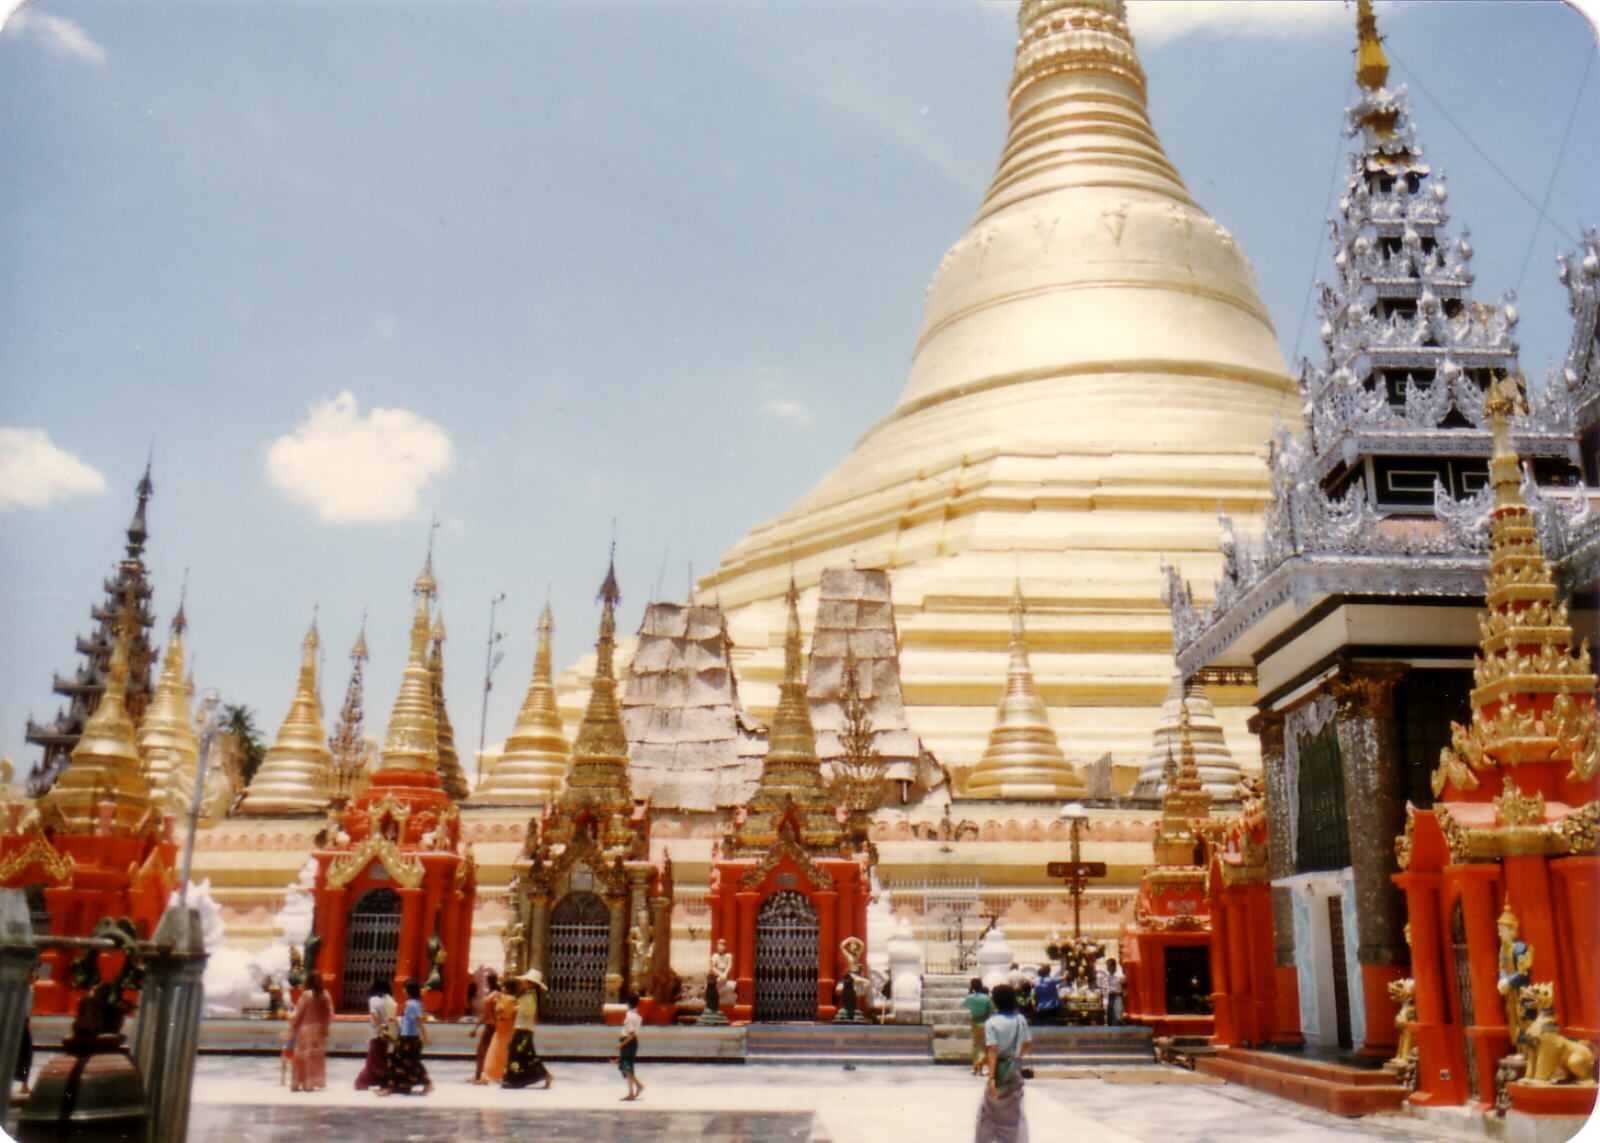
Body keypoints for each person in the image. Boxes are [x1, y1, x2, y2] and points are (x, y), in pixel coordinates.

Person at [975, 982, 1032, 1143]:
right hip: (1014, 1070)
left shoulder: (991, 1023)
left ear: (995, 1002)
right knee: (1016, 1113)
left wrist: (992, 1077)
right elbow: (1027, 1044)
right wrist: (1015, 1057)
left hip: (998, 1071)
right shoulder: (1020, 1019)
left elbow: (992, 1049)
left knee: (988, 1114)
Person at [380, 978, 433, 1096]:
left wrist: (426, 1037)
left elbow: (418, 1022)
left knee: (395, 1061)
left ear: (408, 990)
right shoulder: (418, 1003)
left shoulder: (410, 1004)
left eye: (404, 988)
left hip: (407, 1037)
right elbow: (408, 1020)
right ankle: (427, 1084)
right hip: (413, 1037)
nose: (403, 990)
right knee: (414, 1062)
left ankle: (390, 1087)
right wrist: (395, 1019)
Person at [501, 970, 552, 1089]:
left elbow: (517, 1006)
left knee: (521, 1054)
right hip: (522, 1028)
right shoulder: (528, 995)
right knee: (522, 1054)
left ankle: (542, 1075)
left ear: (530, 984)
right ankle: (514, 1079)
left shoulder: (528, 996)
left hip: (523, 1029)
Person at [288, 971, 333, 1092]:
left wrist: (291, 1024)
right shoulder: (326, 995)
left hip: (306, 1030)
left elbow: (298, 1013)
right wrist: (325, 1027)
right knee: (315, 1057)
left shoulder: (307, 995)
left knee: (303, 1057)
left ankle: (302, 1083)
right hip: (320, 1032)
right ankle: (313, 1082)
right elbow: (330, 1014)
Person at [354, 977, 395, 1091]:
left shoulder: (374, 999)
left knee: (374, 1058)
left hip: (377, 1032)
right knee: (379, 1056)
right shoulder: (389, 999)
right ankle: (372, 1080)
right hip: (387, 1032)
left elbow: (374, 1014)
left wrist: (379, 1027)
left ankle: (365, 1081)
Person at [479, 970, 518, 1084]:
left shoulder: (509, 999)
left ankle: (497, 1075)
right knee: (494, 1053)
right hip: (501, 1029)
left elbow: (501, 1012)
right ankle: (489, 1075)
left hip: (504, 1029)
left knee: (500, 1054)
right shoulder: (505, 998)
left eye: (504, 986)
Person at [614, 991, 645, 1101]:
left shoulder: (630, 1016)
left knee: (626, 1066)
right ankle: (636, 1086)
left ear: (627, 1003)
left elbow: (632, 1034)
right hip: (631, 1043)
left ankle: (633, 1090)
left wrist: (621, 1044)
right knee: (628, 1066)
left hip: (627, 1042)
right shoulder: (636, 1015)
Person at [470, 972, 500, 1083]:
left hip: (492, 1026)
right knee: (484, 1051)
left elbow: (491, 1013)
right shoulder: (492, 994)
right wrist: (476, 1027)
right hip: (489, 1025)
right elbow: (485, 1014)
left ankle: (480, 1076)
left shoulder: (495, 995)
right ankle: (480, 1075)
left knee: (482, 1050)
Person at [960, 978, 994, 1076]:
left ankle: (975, 1068)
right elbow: (992, 1011)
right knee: (984, 1046)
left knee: (976, 1045)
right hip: (985, 1023)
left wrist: (969, 994)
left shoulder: (970, 997)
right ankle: (980, 1069)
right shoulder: (987, 998)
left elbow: (964, 1005)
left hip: (974, 1023)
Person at [1102, 958, 1125, 1026]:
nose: (1108, 968)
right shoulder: (1108, 976)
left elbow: (1125, 985)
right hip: (1111, 996)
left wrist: (1124, 993)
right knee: (1110, 1016)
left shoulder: (1120, 976)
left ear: (1113, 966)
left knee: (1118, 1016)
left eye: (1109, 966)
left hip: (1117, 995)